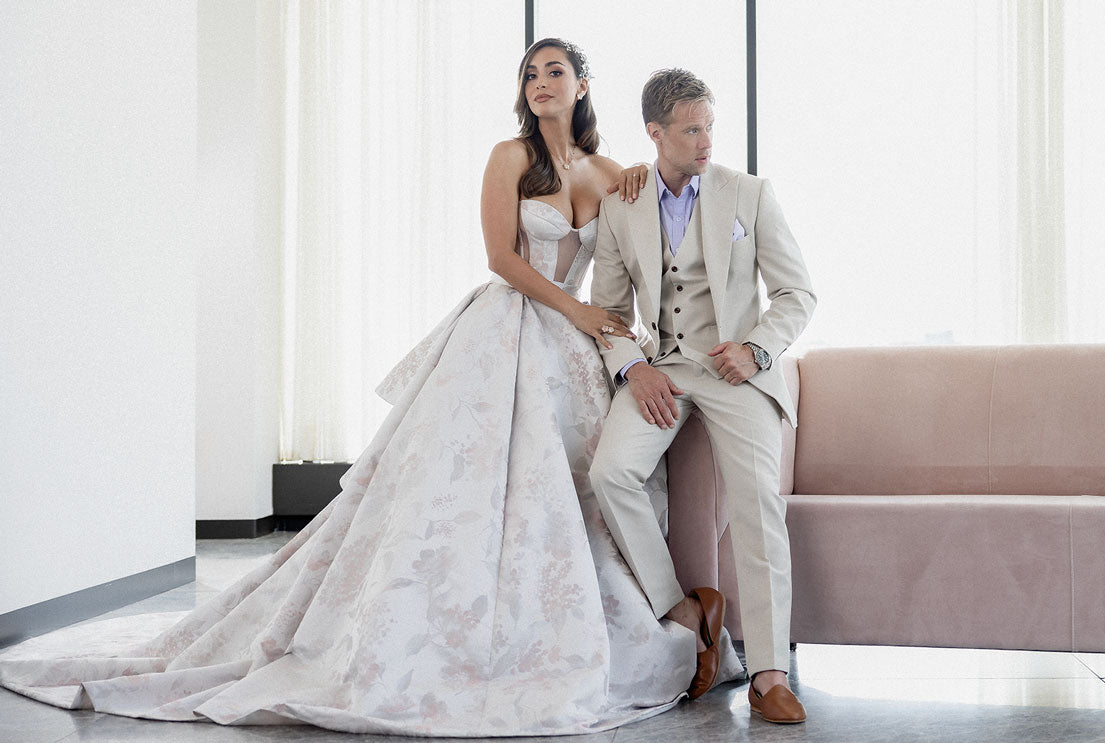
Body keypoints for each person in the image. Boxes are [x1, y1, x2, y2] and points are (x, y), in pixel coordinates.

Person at [0, 39, 742, 736]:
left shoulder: (613, 172)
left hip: (577, 349)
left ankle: (595, 615)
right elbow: (499, 259)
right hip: (510, 327)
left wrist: (638, 294)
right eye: (530, 74)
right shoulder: (509, 156)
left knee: (576, 489)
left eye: (555, 71)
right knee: (462, 489)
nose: (541, 84)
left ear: (583, 85)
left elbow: (650, 237)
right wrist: (579, 309)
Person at [588, 68, 816, 725]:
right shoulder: (620, 205)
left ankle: (770, 674)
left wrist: (757, 349)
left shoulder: (749, 195)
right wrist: (634, 368)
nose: (706, 140)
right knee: (611, 472)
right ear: (655, 133)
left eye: (711, 125)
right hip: (663, 368)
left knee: (757, 504)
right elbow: (607, 313)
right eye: (692, 129)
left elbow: (798, 293)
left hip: (736, 371)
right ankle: (685, 610)